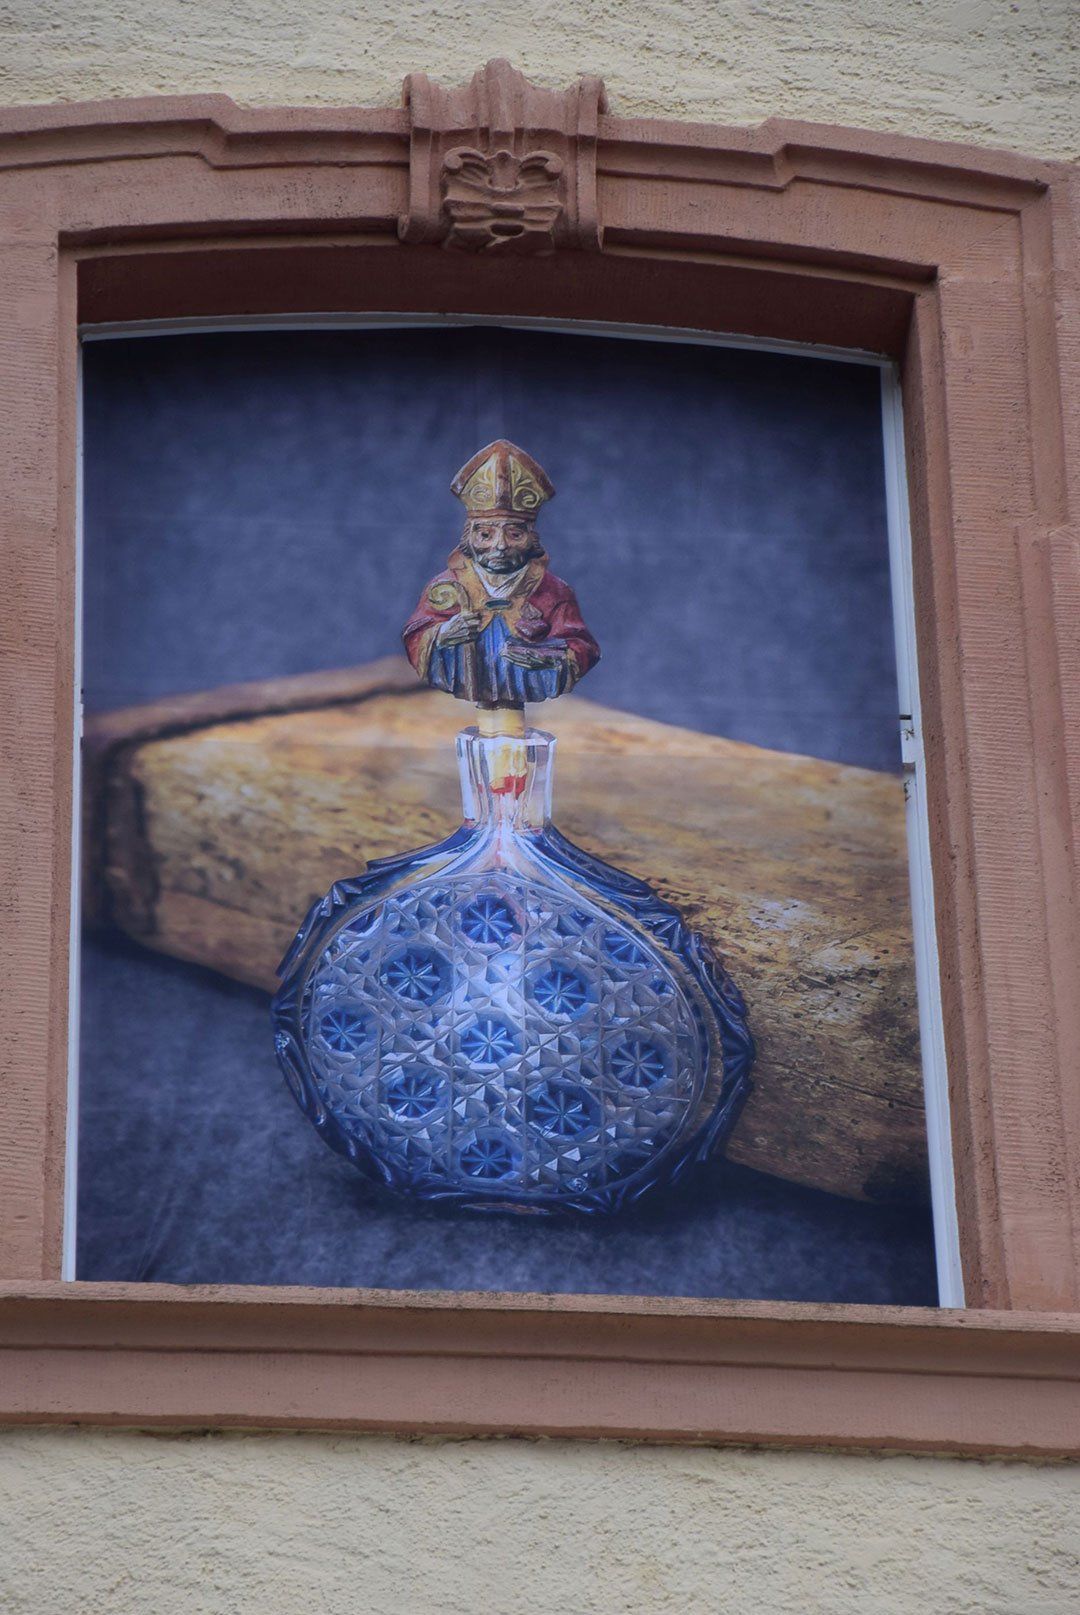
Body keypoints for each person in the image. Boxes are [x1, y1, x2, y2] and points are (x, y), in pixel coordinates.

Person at [402, 439, 600, 707]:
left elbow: (583, 647)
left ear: (532, 539)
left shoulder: (554, 591)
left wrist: (551, 658)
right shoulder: (446, 587)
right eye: (486, 534)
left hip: (527, 684)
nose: (500, 545)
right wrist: (443, 634)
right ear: (468, 539)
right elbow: (416, 637)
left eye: (514, 534)